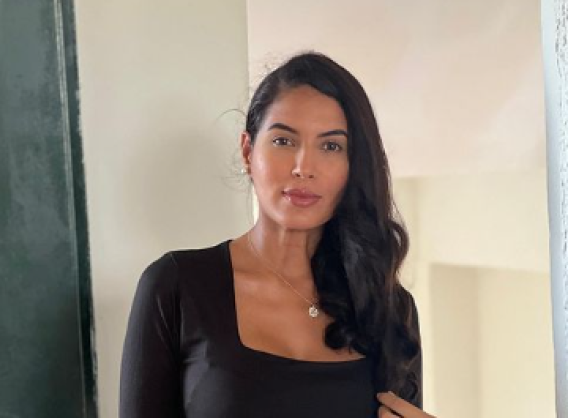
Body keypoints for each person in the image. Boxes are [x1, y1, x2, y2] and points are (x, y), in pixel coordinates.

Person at [120, 52, 435, 418]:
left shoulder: (388, 307)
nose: (304, 167)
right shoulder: (177, 286)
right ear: (248, 151)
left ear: (354, 167)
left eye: (331, 146)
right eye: (284, 141)